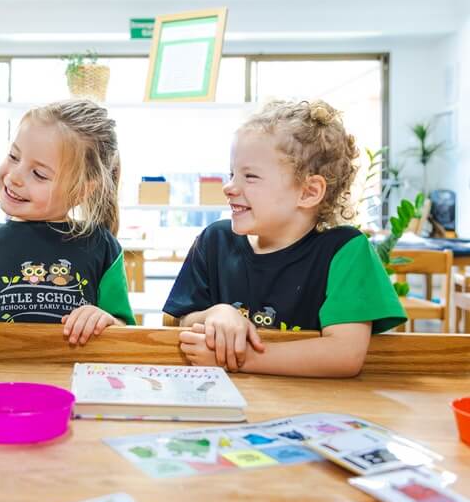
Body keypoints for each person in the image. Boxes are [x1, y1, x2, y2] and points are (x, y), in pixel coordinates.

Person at [163, 99, 406, 378]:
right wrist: (215, 314)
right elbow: (178, 319)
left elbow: (345, 354)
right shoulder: (214, 240)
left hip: (312, 407)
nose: (229, 187)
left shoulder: (345, 250)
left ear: (308, 191)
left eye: (250, 176)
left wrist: (241, 359)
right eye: (232, 174)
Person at [0, 100, 135, 344]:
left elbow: (125, 334)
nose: (14, 177)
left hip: (69, 381)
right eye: (14, 156)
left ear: (81, 192)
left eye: (39, 174)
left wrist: (104, 320)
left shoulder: (103, 247)